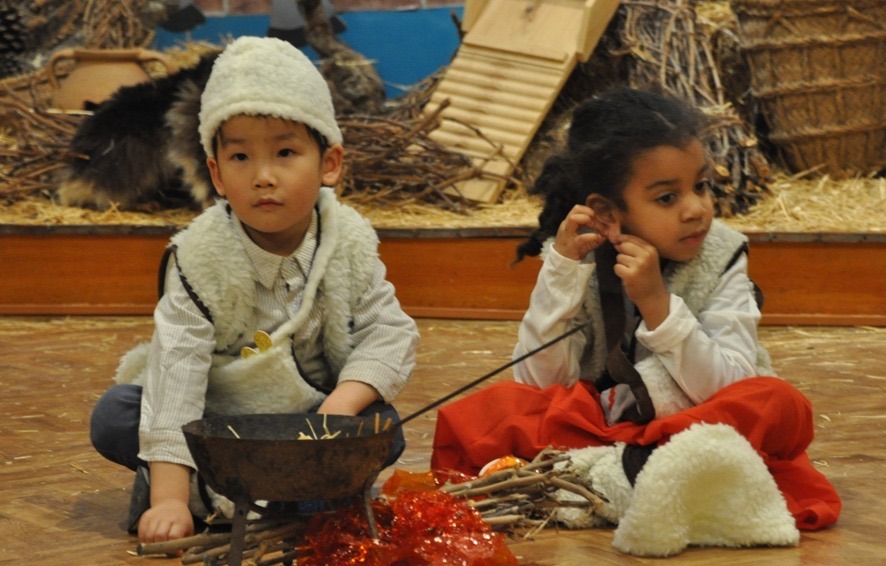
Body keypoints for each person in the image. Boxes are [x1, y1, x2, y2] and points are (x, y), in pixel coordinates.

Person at [431, 88, 840, 540]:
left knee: (777, 402)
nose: (695, 209)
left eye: (701, 186)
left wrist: (657, 305)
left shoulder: (721, 255)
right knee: (489, 411)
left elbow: (731, 386)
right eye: (667, 198)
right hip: (601, 429)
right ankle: (637, 475)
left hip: (700, 425)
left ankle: (613, 477)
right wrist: (562, 277)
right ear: (606, 211)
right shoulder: (577, 257)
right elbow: (540, 386)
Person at [90, 36, 419, 545]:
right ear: (217, 174)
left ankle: (264, 492)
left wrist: (341, 405)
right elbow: (176, 373)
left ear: (329, 163)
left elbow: (389, 333)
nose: (263, 177)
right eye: (240, 156)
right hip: (218, 424)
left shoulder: (349, 242)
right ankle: (233, 490)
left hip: (310, 419)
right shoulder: (198, 256)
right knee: (116, 414)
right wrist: (169, 499)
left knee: (384, 427)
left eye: (285, 152)